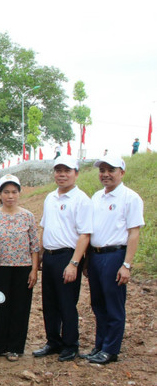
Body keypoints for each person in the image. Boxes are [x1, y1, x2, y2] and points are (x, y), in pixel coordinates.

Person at [82, 154, 144, 364]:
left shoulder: (130, 198)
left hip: (115, 255)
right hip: (96, 255)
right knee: (98, 304)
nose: (106, 174)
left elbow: (133, 233)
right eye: (102, 170)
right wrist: (87, 259)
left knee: (113, 304)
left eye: (111, 170)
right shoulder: (97, 197)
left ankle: (111, 349)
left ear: (122, 172)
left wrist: (126, 264)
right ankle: (99, 345)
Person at [34, 155, 92, 362]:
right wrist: (40, 255)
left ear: (76, 173)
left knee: (67, 303)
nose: (62, 174)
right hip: (50, 256)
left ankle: (70, 344)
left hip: (68, 256)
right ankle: (53, 341)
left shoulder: (81, 200)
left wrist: (74, 263)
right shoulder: (50, 197)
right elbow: (45, 227)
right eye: (58, 170)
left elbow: (85, 234)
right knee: (49, 303)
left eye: (67, 171)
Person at [0, 175, 40, 362]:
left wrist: (34, 269)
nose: (10, 196)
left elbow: (34, 246)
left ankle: (15, 347)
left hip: (23, 268)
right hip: (1, 268)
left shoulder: (28, 216)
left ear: (19, 194)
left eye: (14, 192)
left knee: (20, 308)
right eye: (6, 192)